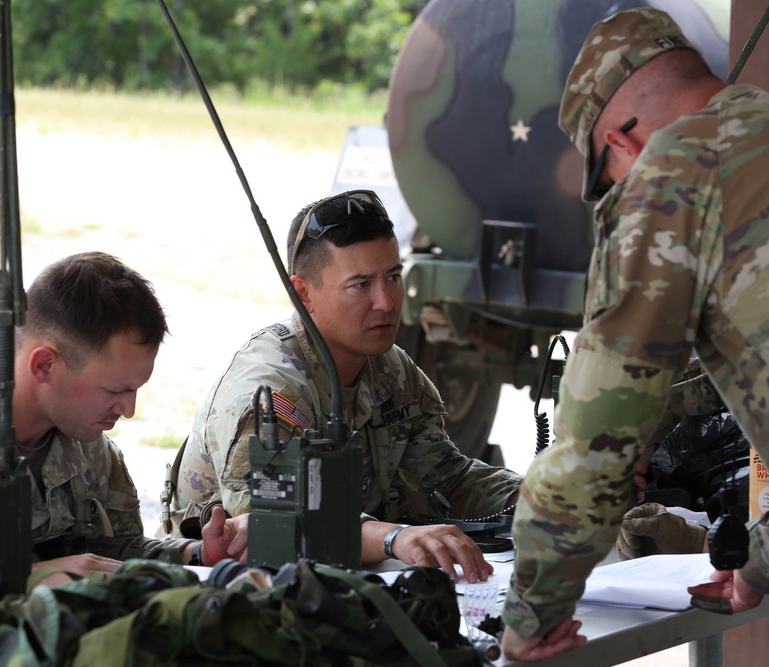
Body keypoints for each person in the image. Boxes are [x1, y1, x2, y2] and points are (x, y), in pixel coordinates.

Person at [500, 8, 769, 666]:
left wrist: (531, 612)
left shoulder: (671, 174)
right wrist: (761, 566)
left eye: (601, 181)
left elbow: (599, 438)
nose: (611, 194)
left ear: (620, 141)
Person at [167, 190, 523, 583]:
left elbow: (447, 479)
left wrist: (540, 498)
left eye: (393, 277)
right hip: (228, 598)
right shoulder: (268, 393)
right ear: (303, 293)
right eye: (360, 285)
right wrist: (392, 538)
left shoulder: (389, 368)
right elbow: (274, 528)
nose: (386, 302)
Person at [0, 251, 238, 623]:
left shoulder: (85, 439)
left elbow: (114, 552)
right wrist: (17, 586)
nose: (128, 409)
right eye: (113, 391)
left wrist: (197, 555)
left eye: (135, 390)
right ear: (44, 365)